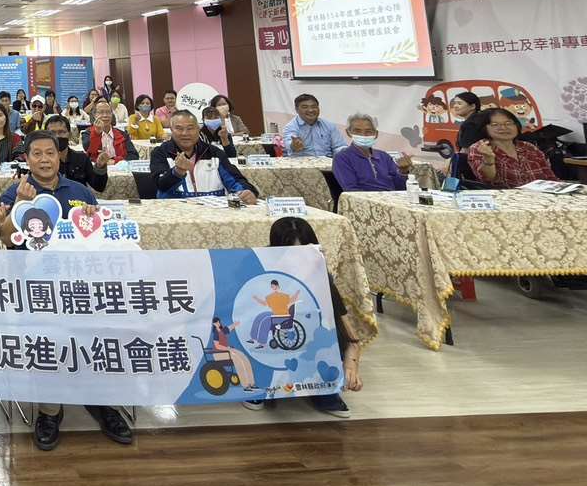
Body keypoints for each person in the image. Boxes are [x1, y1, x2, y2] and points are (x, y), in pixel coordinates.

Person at [0, 129, 134, 449]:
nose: (44, 160)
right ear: (27, 159)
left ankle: (102, 404)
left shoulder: (79, 190)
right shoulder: (17, 191)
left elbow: (99, 235)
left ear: (59, 156)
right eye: (37, 154)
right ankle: (50, 411)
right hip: (37, 287)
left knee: (96, 340)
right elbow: (5, 237)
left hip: (81, 285)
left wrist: (94, 219)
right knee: (46, 345)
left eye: (50, 153)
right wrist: (21, 204)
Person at [249, 217, 364, 419]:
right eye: (292, 254)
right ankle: (258, 386)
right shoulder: (259, 269)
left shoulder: (320, 273)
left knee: (325, 334)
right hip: (274, 332)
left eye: (304, 253)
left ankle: (323, 389)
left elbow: (343, 322)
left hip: (304, 331)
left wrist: (351, 361)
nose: (298, 261)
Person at [150, 111, 257, 202]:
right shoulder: (161, 153)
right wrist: (177, 172)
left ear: (198, 129)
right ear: (171, 130)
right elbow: (160, 185)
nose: (185, 133)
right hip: (176, 212)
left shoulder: (214, 153)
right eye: (179, 128)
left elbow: (235, 180)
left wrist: (245, 192)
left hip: (214, 212)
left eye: (190, 128)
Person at [467, 107, 557, 187]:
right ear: (484, 128)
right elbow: (487, 179)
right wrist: (488, 159)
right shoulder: (480, 148)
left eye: (508, 123)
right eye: (495, 124)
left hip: (542, 194)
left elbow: (549, 176)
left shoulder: (528, 147)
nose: (503, 128)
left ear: (516, 125)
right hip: (506, 197)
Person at [332, 113, 412, 193]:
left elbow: (401, 188)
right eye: (357, 131)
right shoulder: (342, 158)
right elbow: (351, 190)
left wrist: (403, 172)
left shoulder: (384, 156)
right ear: (348, 132)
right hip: (365, 199)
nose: (363, 135)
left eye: (368, 131)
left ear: (376, 134)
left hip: (392, 198)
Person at [86, 100, 137, 183]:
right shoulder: (87, 133)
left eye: (108, 112)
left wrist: (114, 161)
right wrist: (97, 133)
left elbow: (134, 155)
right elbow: (89, 154)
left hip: (121, 174)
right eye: (101, 112)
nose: (105, 115)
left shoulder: (122, 134)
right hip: (98, 174)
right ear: (94, 115)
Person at [282, 94, 347, 158]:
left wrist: (345, 151)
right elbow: (289, 143)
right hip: (303, 163)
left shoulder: (329, 125)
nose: (311, 110)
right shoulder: (291, 127)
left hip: (327, 162)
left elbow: (339, 146)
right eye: (305, 107)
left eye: (314, 106)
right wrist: (294, 145)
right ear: (296, 109)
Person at [44, 113, 97, 190]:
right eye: (52, 133)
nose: (57, 136)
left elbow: (98, 186)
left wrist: (101, 168)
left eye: (61, 132)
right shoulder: (41, 162)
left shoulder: (82, 158)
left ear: (69, 134)